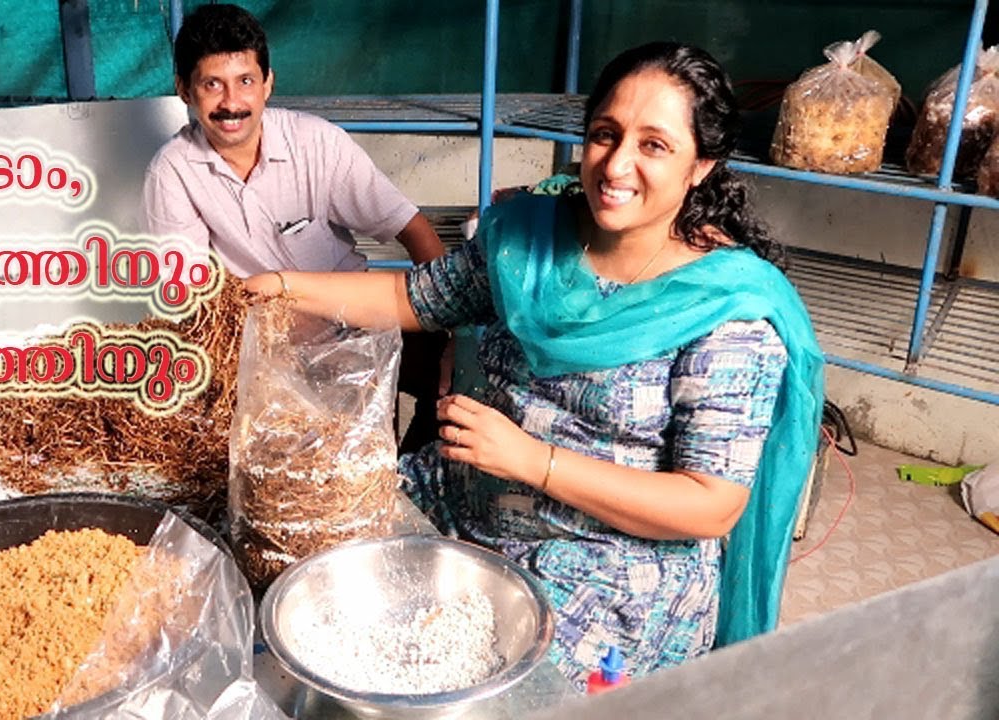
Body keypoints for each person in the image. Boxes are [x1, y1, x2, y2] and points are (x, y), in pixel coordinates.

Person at [246, 42, 824, 689]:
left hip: (609, 561)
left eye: (654, 145)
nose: (618, 165)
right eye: (606, 134)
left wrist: (533, 460)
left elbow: (710, 505)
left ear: (702, 165)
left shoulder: (727, 312)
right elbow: (413, 298)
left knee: (477, 688)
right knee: (292, 546)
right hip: (463, 494)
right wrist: (281, 285)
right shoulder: (527, 238)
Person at [140, 3, 448, 451]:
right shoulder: (171, 172)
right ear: (184, 90)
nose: (232, 103)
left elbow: (410, 226)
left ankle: (411, 476)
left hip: (358, 324)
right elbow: (193, 304)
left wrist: (451, 328)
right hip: (263, 354)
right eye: (212, 85)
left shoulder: (316, 143)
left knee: (453, 382)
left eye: (245, 81)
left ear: (268, 83)